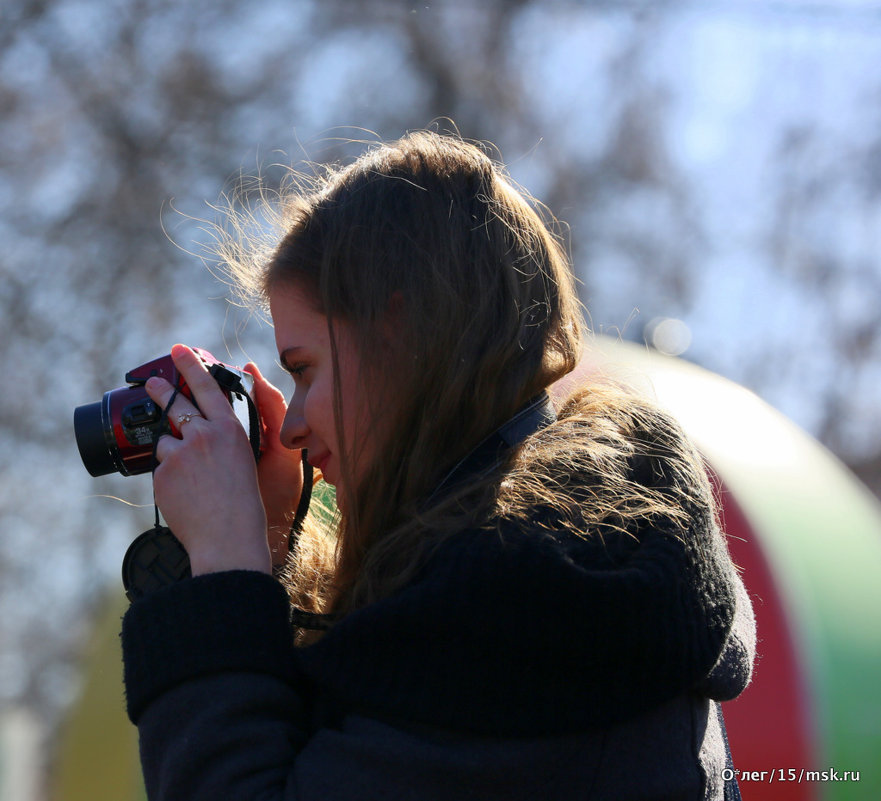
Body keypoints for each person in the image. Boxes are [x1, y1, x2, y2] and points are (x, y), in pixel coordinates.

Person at [121, 130, 755, 800]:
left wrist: (222, 574)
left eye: (304, 370)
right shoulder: (565, 579)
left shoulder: (523, 605)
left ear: (399, 335)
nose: (295, 419)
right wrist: (279, 539)